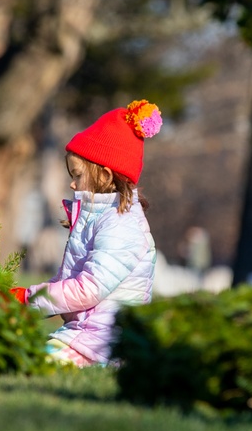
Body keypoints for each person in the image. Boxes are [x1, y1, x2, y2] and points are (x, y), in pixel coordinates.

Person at [10, 100, 160, 366]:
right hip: (85, 337)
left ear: (103, 175)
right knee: (14, 356)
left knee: (24, 366)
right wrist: (25, 308)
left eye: (77, 174)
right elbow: (66, 284)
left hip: (103, 345)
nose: (72, 183)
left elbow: (88, 289)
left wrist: (27, 299)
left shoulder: (121, 225)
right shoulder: (99, 218)